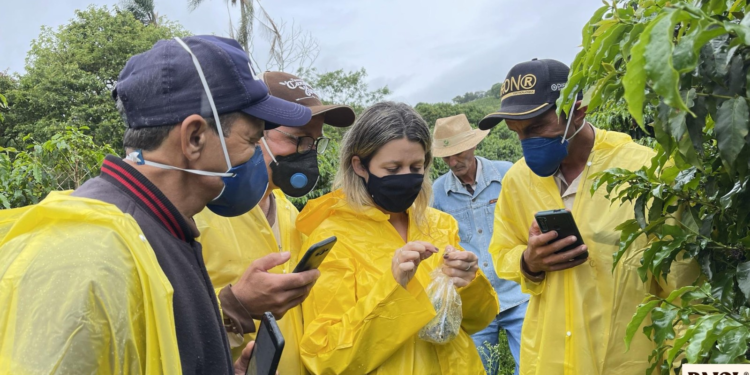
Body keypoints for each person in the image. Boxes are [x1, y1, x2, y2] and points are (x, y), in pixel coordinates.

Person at [0, 36, 320, 374]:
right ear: (194, 137)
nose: (257, 156)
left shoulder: (164, 228)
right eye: (252, 140)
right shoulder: (87, 254)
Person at [478, 58, 698, 375]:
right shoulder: (517, 180)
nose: (528, 143)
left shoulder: (647, 171)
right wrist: (529, 262)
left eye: (537, 127)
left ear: (577, 111)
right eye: (518, 133)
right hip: (550, 358)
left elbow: (683, 290)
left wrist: (686, 364)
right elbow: (502, 252)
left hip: (627, 361)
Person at [295, 101, 499, 374]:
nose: (406, 177)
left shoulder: (438, 224)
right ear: (360, 166)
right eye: (392, 169)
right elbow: (325, 357)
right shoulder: (333, 238)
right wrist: (392, 287)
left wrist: (469, 282)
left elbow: (477, 321)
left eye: (416, 167)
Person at [194, 70, 356, 374]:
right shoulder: (201, 211)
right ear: (255, 132)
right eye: (297, 139)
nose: (307, 153)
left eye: (314, 143)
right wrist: (234, 308)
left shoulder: (289, 213)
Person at [431, 113, 528, 375]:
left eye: (459, 154)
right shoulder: (437, 193)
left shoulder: (507, 173)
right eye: (446, 157)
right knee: (480, 369)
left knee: (534, 365)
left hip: (518, 291)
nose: (453, 162)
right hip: (474, 299)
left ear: (473, 146)